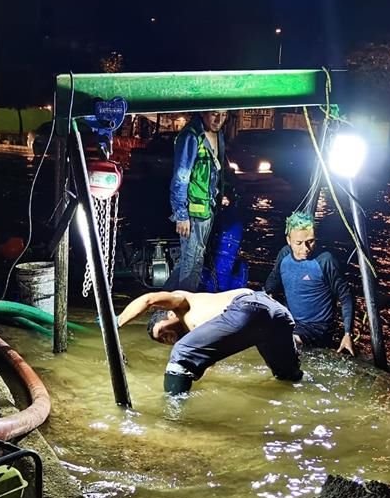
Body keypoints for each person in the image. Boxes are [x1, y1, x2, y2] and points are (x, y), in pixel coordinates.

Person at [117, 288, 303, 393]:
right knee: (287, 378)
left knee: (180, 354)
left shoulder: (183, 304)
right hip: (277, 315)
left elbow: (149, 300)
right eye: (163, 341)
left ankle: (171, 419)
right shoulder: (205, 338)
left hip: (248, 305)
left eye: (163, 332)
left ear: (169, 313)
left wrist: (116, 322)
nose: (167, 339)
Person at [264, 212, 355, 355]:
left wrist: (347, 334)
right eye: (298, 243)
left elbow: (346, 297)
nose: (305, 248)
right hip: (292, 320)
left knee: (286, 343)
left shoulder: (325, 261)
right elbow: (273, 281)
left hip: (319, 327)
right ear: (288, 240)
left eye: (310, 241)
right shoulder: (284, 254)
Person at [164, 110, 230, 292]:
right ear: (203, 113)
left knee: (190, 259)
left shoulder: (219, 135)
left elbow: (216, 172)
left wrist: (219, 194)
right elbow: (180, 178)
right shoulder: (191, 137)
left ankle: (162, 304)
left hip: (207, 208)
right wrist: (181, 215)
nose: (219, 119)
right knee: (193, 262)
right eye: (215, 114)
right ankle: (183, 307)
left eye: (224, 115)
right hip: (193, 212)